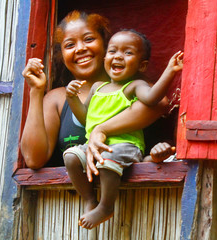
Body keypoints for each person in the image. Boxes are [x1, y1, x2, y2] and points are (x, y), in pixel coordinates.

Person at [63, 29, 183, 229]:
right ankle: (90, 199)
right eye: (112, 51)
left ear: (142, 65)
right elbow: (86, 119)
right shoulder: (97, 88)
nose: (118, 56)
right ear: (104, 58)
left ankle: (106, 206)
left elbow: (153, 98)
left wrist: (170, 70)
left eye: (127, 53)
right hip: (94, 147)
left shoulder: (134, 86)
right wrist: (72, 98)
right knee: (71, 157)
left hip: (125, 146)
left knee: (109, 160)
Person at [20, 11, 167, 170]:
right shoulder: (57, 99)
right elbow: (34, 159)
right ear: (61, 55)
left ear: (105, 44)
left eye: (89, 39)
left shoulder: (133, 87)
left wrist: (100, 129)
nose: (80, 48)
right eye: (70, 45)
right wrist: (36, 90)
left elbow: (159, 103)